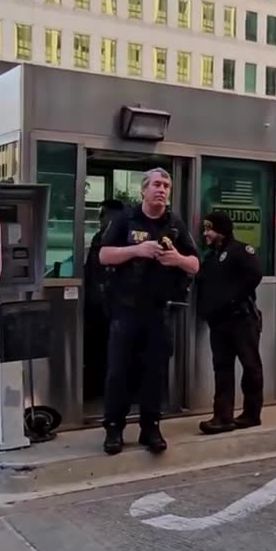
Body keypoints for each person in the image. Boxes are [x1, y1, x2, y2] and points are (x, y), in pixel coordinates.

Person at [98, 168, 199, 455]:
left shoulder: (174, 224)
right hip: (125, 311)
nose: (162, 189)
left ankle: (150, 428)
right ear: (143, 190)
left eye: (166, 185)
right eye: (156, 184)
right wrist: (137, 250)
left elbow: (194, 265)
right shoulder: (124, 220)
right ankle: (114, 429)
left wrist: (177, 258)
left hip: (158, 312)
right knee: (119, 371)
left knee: (154, 372)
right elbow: (104, 255)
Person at [196, 211, 265, 434]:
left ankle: (251, 414)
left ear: (222, 231)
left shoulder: (240, 251)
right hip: (220, 323)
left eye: (210, 229)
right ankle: (222, 417)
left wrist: (232, 300)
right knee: (222, 370)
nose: (206, 233)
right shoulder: (210, 257)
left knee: (251, 366)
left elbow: (255, 275)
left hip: (242, 320)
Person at [82, 200, 125, 400]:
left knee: (114, 354)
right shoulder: (100, 237)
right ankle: (95, 388)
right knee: (95, 350)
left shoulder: (125, 238)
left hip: (114, 306)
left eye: (103, 214)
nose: (100, 219)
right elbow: (90, 269)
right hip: (94, 306)